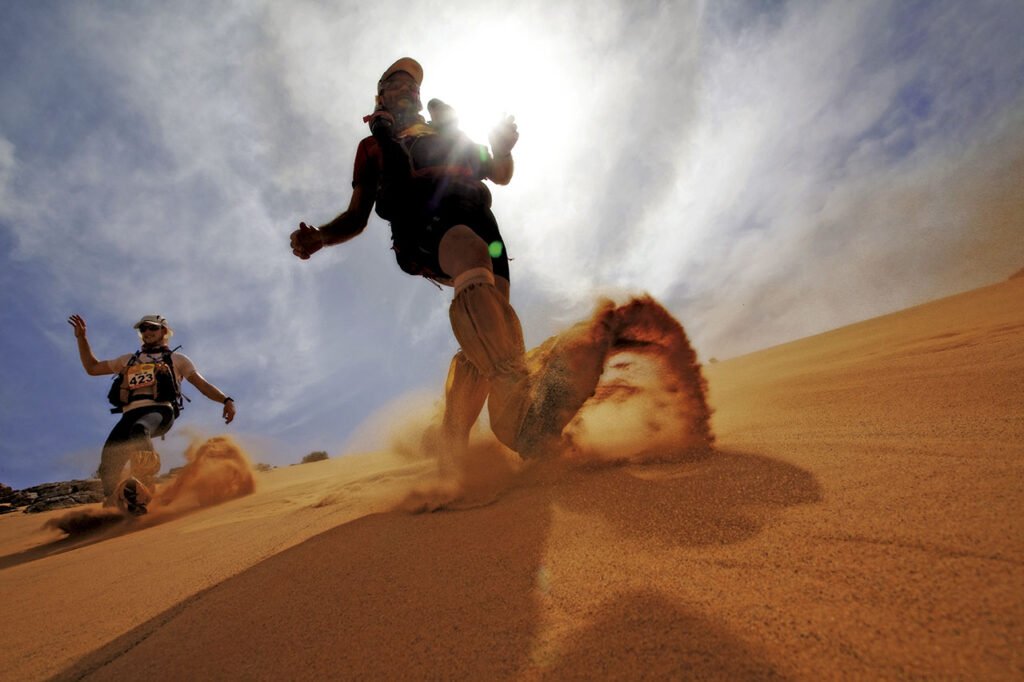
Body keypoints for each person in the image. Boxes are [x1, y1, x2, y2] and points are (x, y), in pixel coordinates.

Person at [290, 57, 580, 459]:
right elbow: (357, 216)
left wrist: (502, 148)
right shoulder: (373, 145)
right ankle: (516, 416)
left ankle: (451, 436)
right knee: (471, 259)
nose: (409, 88)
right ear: (381, 94)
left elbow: (499, 172)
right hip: (422, 221)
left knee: (491, 329)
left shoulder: (447, 131)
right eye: (398, 81)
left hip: (481, 222)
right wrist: (321, 236)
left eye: (414, 84)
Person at [68, 313, 236, 514]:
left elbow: (202, 385)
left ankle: (145, 485)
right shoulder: (128, 359)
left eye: (152, 328)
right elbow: (92, 368)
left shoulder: (177, 359)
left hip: (160, 411)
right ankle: (116, 502)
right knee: (108, 461)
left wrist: (226, 400)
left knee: (140, 430)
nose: (147, 332)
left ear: (164, 331)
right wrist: (81, 338)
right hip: (129, 415)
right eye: (143, 329)